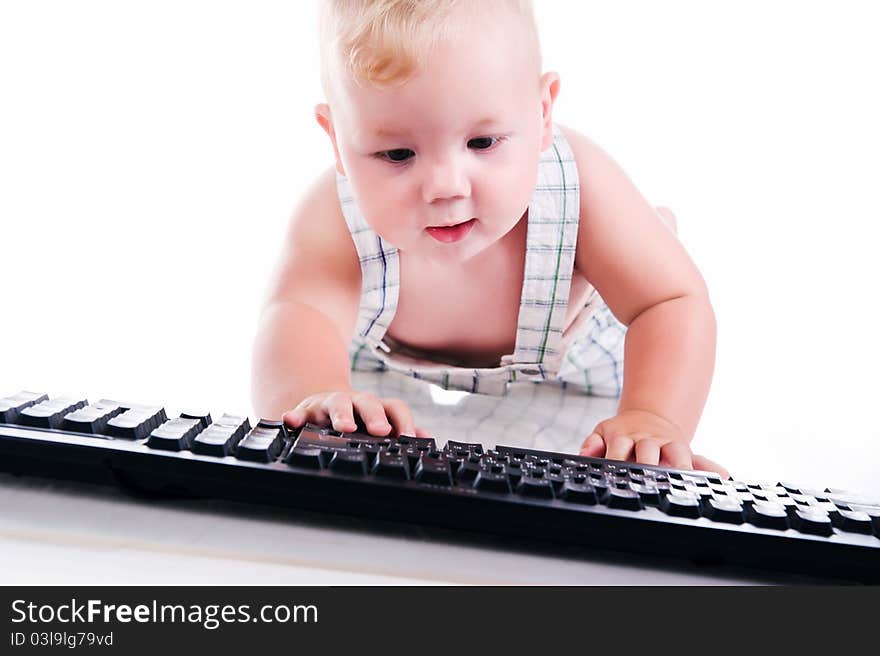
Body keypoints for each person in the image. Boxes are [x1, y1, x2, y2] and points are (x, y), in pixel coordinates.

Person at [251, 0, 727, 476]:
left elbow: (669, 300)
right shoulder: (334, 213)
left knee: (590, 491)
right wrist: (312, 397)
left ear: (542, 114)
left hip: (579, 394)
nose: (445, 186)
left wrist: (653, 415)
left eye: (481, 143)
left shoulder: (580, 189)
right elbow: (298, 314)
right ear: (336, 137)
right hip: (388, 397)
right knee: (359, 472)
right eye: (397, 153)